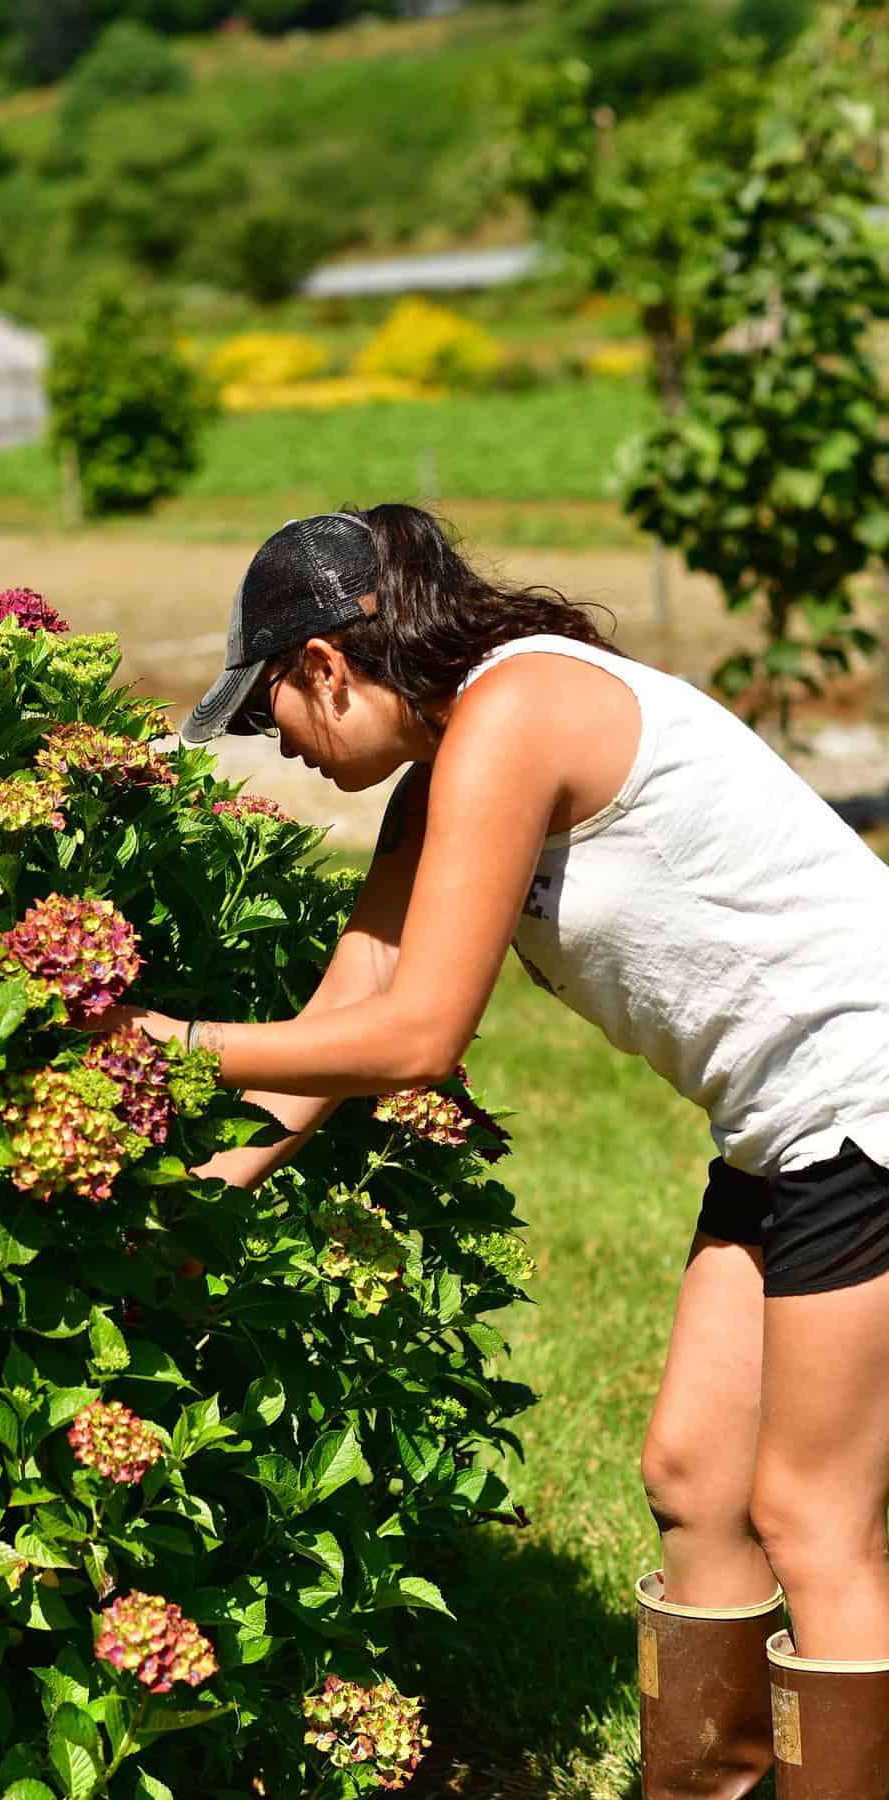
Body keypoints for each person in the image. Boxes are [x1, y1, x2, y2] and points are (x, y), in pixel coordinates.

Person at [94, 503, 889, 1799]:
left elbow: (414, 1038)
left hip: (865, 1094)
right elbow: (332, 1034)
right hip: (783, 1121)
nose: (277, 750)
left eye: (268, 716)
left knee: (814, 1517)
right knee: (697, 1479)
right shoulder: (448, 768)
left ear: (325, 667)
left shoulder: (516, 713)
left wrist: (153, 1042)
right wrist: (188, 1208)